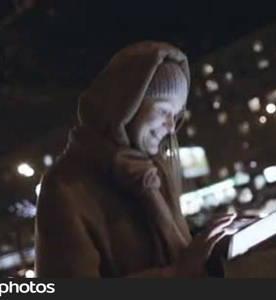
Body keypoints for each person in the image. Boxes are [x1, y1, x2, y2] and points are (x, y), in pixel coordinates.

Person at [34, 41, 237, 277]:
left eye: (175, 114)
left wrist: (219, 244)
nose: (171, 127)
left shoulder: (152, 171)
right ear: (126, 105)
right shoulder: (65, 186)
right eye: (163, 110)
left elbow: (176, 256)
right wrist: (176, 275)